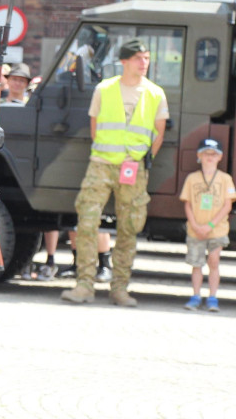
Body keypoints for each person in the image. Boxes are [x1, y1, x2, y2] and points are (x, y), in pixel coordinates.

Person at [62, 37, 168, 306]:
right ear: (124, 61)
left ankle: (120, 288)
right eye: (138, 58)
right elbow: (95, 126)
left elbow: (159, 133)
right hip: (101, 164)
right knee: (87, 222)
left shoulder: (155, 93)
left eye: (146, 58)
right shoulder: (104, 89)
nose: (144, 63)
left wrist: (140, 158)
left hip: (134, 167)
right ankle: (84, 285)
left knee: (129, 228)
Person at [179, 138, 234, 313]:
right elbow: (187, 203)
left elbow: (227, 205)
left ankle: (212, 297)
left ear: (220, 157)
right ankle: (196, 296)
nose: (210, 157)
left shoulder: (225, 179)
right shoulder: (192, 178)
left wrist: (210, 225)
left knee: (214, 261)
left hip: (217, 229)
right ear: (199, 156)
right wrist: (195, 225)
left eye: (214, 154)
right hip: (195, 230)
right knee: (197, 263)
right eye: (206, 153)